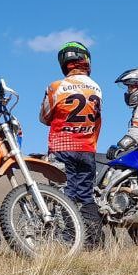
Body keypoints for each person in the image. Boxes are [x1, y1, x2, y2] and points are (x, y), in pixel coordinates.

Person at [39, 41, 104, 248]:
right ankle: (94, 243)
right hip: (86, 148)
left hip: (61, 147)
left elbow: (44, 117)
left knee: (63, 195)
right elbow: (97, 119)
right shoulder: (96, 88)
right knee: (86, 196)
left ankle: (69, 242)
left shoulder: (55, 87)